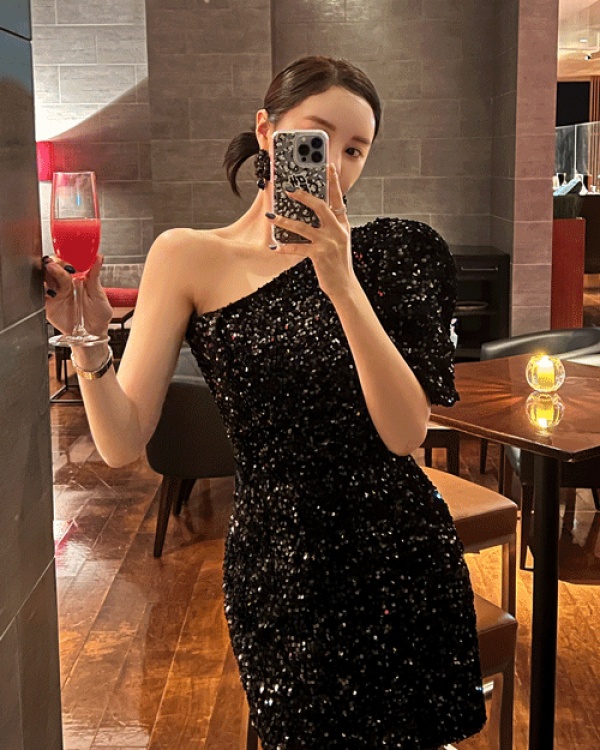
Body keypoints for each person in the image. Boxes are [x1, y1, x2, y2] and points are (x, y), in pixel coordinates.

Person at [44, 56, 486, 750]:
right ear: (265, 131)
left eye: (356, 149)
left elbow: (406, 433)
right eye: (317, 138)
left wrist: (341, 280)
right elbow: (123, 442)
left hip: (400, 555)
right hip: (280, 565)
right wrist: (89, 341)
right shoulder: (186, 256)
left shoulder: (398, 252)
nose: (335, 164)